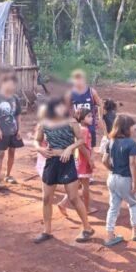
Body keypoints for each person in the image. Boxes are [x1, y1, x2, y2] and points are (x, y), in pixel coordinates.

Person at [32, 98, 95, 244]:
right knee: (46, 198)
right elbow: (37, 140)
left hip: (67, 162)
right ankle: (47, 231)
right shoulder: (44, 123)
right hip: (51, 162)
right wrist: (40, 148)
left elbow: (80, 140)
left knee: (73, 198)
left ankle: (87, 228)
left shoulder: (71, 122)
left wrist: (69, 148)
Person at [101, 115, 136, 246]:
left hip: (112, 178)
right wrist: (135, 182)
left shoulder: (110, 141)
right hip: (125, 179)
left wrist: (112, 168)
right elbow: (132, 164)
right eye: (132, 126)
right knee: (134, 204)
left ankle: (109, 236)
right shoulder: (130, 143)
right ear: (126, 128)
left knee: (113, 207)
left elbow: (104, 160)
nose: (134, 129)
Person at [0, 71, 25, 190]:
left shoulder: (15, 98)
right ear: (3, 84)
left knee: (12, 152)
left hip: (13, 130)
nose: (12, 86)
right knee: (0, 154)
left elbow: (18, 115)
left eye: (13, 84)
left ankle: (8, 175)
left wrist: (19, 129)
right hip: (1, 131)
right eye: (9, 83)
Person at [58, 108, 98, 214]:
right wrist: (90, 160)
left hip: (78, 159)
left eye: (92, 116)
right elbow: (82, 147)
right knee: (85, 185)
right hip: (83, 160)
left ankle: (63, 203)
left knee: (77, 184)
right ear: (82, 118)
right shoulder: (84, 130)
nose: (91, 118)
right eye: (89, 116)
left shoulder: (79, 128)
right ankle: (86, 208)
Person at [65, 69, 105, 148]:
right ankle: (79, 160)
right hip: (77, 122)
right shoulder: (70, 94)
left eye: (80, 79)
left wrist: (100, 119)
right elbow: (67, 108)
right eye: (76, 79)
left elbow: (100, 104)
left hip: (90, 122)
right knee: (77, 143)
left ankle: (90, 158)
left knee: (90, 144)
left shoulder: (91, 92)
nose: (78, 82)